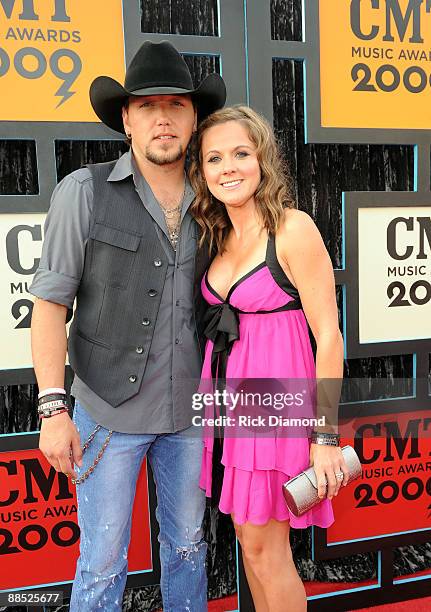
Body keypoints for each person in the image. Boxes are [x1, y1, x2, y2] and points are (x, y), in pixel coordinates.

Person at [29, 41, 226, 612]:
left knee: (189, 546)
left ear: (194, 119)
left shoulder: (218, 197)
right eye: (146, 106)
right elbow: (48, 306)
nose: (162, 117)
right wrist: (51, 407)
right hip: (105, 414)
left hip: (189, 413)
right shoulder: (83, 191)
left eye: (176, 105)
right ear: (126, 119)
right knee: (102, 560)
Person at [189, 105, 348, 612]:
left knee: (265, 550)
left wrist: (324, 436)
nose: (228, 167)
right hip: (229, 410)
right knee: (250, 543)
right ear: (203, 171)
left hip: (278, 412)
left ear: (263, 159)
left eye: (240, 153)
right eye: (214, 158)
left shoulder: (292, 230)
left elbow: (328, 336)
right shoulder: (216, 238)